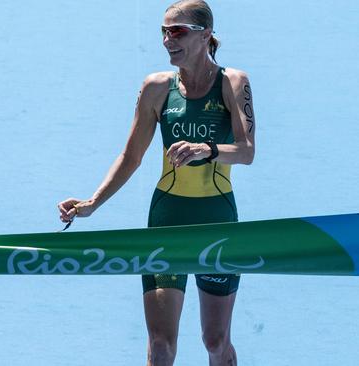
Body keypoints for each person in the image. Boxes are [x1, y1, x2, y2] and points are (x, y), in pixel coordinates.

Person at [58, 1, 255, 365]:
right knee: (161, 345)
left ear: (205, 34)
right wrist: (92, 203)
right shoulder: (156, 88)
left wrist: (205, 149)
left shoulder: (232, 82)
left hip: (217, 221)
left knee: (215, 341)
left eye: (176, 31)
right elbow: (130, 157)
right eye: (163, 32)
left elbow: (245, 151)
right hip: (167, 218)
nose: (167, 40)